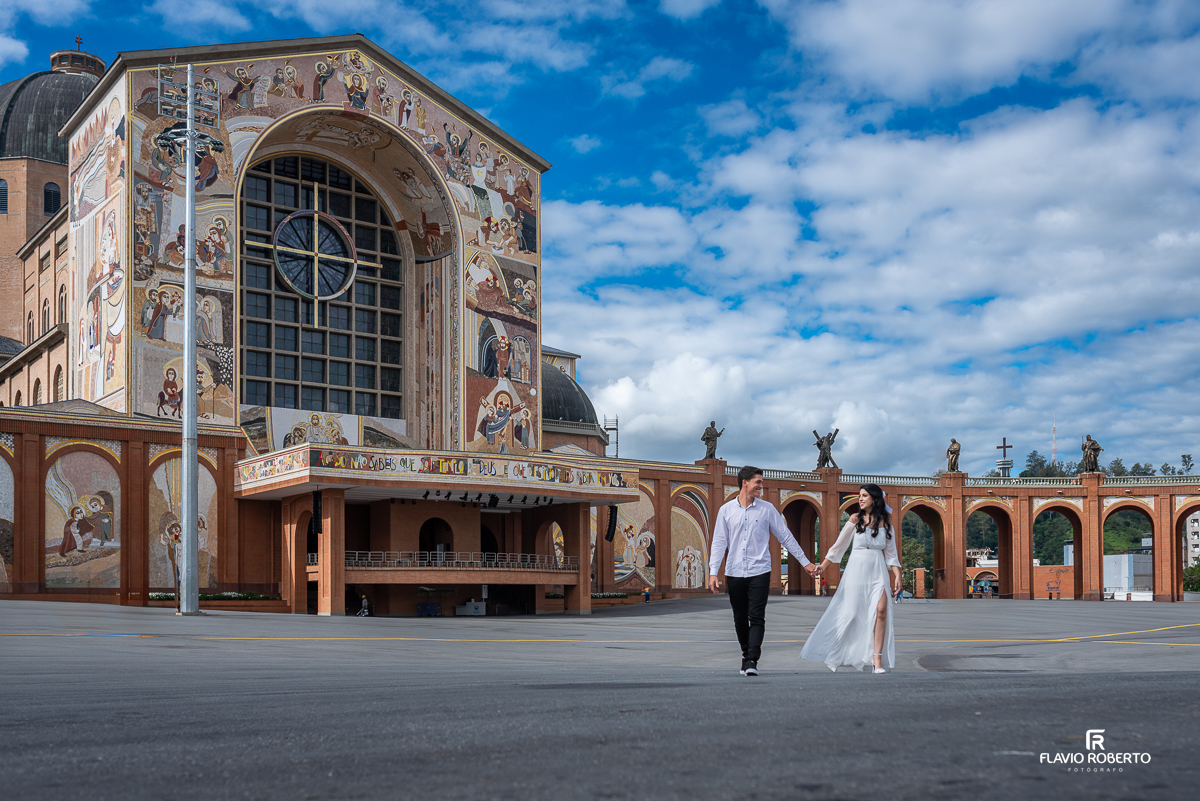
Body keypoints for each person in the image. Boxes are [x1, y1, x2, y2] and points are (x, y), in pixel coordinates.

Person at [709, 465, 817, 677]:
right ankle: (745, 654)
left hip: (760, 570)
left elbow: (785, 536)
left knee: (757, 616)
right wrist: (714, 572)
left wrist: (806, 562)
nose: (761, 485)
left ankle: (752, 660)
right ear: (745, 483)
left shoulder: (767, 509)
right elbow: (719, 542)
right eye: (758, 482)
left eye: (761, 482)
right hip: (735, 571)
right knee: (740, 617)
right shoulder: (726, 511)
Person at [801, 484, 902, 674]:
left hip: (878, 570)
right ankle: (835, 652)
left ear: (875, 499)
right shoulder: (855, 520)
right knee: (852, 614)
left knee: (881, 611)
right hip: (856, 569)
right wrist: (822, 565)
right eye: (860, 496)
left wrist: (897, 575)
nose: (860, 499)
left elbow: (891, 554)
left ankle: (876, 659)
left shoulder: (887, 524)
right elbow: (839, 546)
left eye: (864, 496)